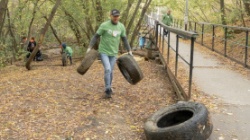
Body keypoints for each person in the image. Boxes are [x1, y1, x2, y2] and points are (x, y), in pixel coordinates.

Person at [86, 9, 132, 98]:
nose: (116, 18)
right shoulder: (104, 25)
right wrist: (89, 47)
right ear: (110, 16)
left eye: (117, 16)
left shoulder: (121, 27)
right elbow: (96, 36)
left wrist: (129, 50)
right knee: (107, 69)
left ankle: (109, 86)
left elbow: (124, 39)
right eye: (114, 16)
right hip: (104, 52)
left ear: (119, 16)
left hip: (114, 53)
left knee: (111, 71)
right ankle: (107, 90)